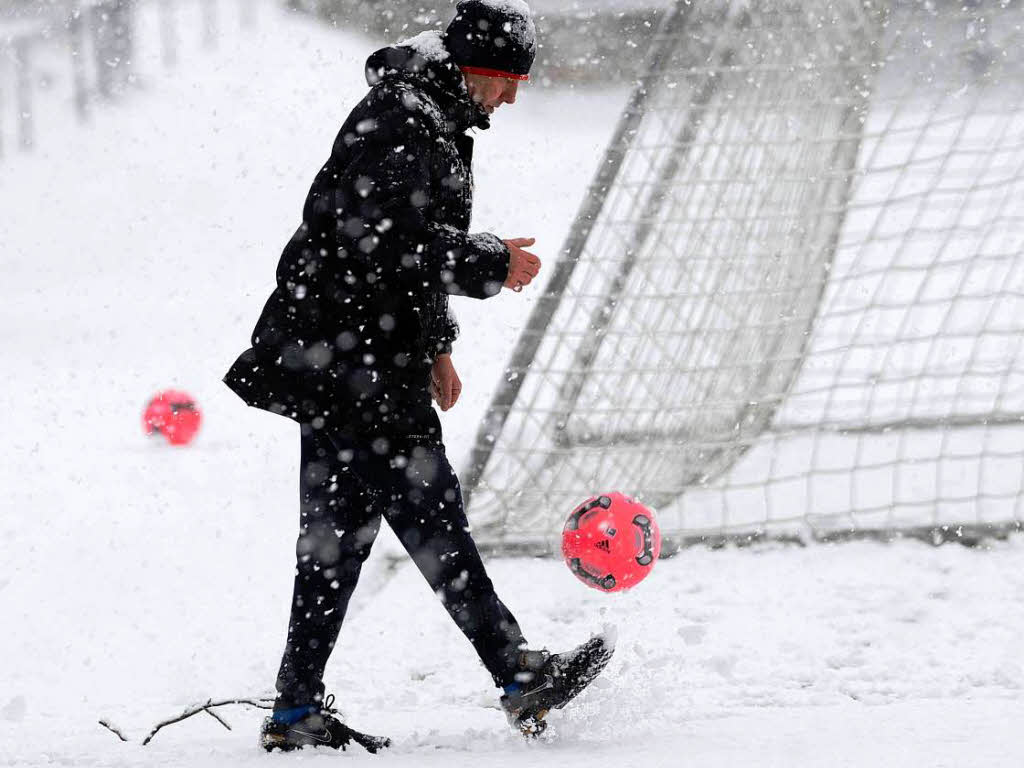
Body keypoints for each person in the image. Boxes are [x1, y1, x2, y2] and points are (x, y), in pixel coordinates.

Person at [223, 0, 613, 753]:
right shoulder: (405, 117)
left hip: (344, 357)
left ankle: (297, 710)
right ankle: (516, 670)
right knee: (431, 518)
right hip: (352, 361)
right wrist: (490, 262)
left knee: (336, 541)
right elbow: (382, 242)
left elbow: (400, 243)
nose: (513, 96)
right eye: (507, 79)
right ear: (474, 68)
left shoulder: (430, 115)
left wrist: (435, 342)